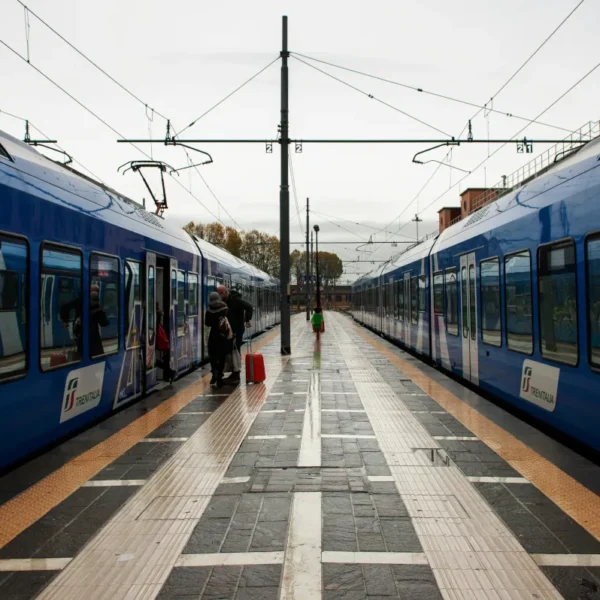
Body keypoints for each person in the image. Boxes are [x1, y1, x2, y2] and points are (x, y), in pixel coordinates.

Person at [217, 285, 253, 383]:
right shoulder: (222, 302)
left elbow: (249, 307)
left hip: (237, 330)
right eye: (218, 293)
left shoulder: (236, 300)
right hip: (228, 331)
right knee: (229, 351)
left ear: (226, 292)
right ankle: (231, 372)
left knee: (235, 351)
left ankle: (236, 374)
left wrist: (247, 319)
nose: (220, 295)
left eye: (221, 293)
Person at [204, 291, 232, 387]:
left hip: (213, 335)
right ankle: (220, 375)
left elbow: (207, 324)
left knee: (213, 355)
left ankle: (214, 372)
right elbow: (228, 321)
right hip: (223, 335)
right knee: (222, 356)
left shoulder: (209, 311)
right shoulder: (225, 309)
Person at [155, 310, 175, 383]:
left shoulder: (157, 327)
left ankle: (171, 373)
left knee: (157, 362)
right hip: (164, 347)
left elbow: (160, 339)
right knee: (160, 363)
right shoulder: (160, 326)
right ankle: (170, 373)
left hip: (163, 347)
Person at [89, 288, 109, 357]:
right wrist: (100, 312)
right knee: (98, 356)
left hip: (81, 338)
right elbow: (104, 323)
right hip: (94, 338)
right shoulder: (97, 310)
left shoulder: (82, 307)